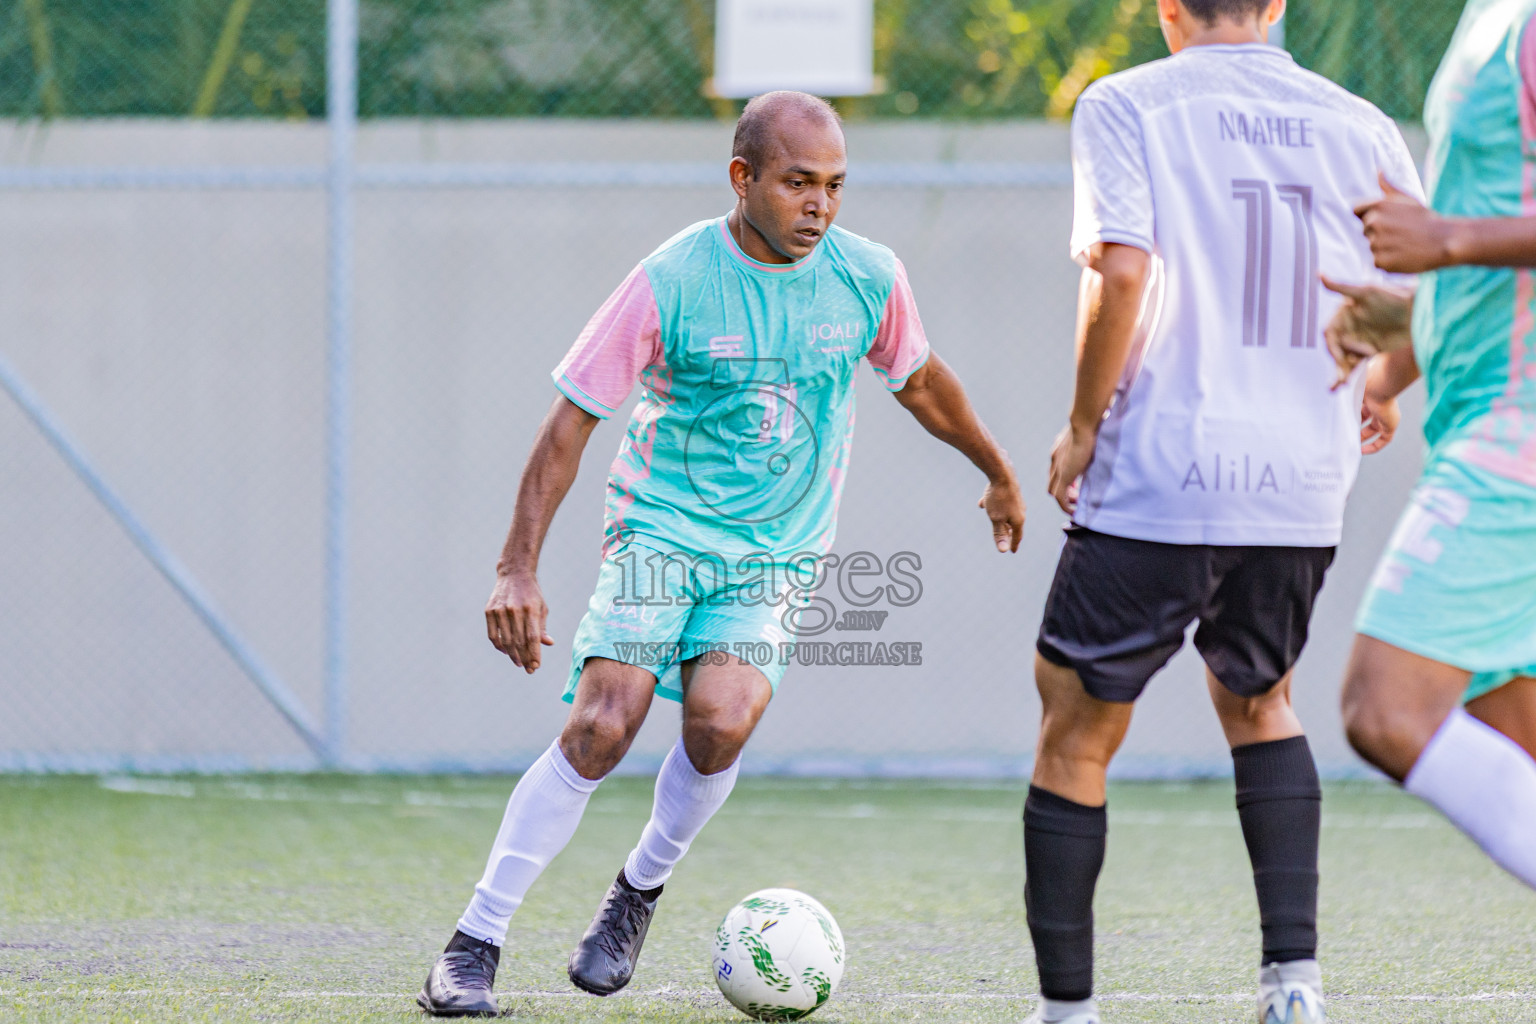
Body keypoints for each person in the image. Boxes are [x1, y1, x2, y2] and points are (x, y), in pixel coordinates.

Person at [415, 90, 1027, 1017]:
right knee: (604, 722)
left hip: (774, 555)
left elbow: (922, 381)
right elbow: (571, 422)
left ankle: (637, 892)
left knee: (722, 720)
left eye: (835, 185)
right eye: (797, 183)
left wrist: (997, 469)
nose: (819, 205)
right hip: (662, 529)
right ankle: (473, 943)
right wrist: (517, 567)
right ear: (742, 178)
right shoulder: (673, 278)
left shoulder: (867, 277)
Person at [1020, 1, 1422, 1022]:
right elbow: (1424, 292)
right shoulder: (1362, 124)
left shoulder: (1127, 103)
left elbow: (1122, 269)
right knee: (1263, 700)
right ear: (1275, 5)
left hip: (1163, 470)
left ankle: (1068, 1011)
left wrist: (1082, 424)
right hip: (1300, 481)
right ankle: (1294, 988)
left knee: (1075, 728)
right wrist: (1379, 387)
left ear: (1168, 7)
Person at [1321, 0, 1536, 893]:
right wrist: (1404, 346)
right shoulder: (1494, 14)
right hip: (1484, 419)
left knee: (1387, 706)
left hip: (1516, 442)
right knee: (1507, 729)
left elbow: (1464, 234)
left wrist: (1446, 241)